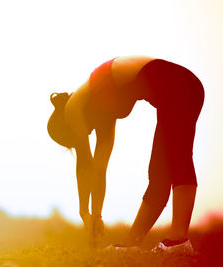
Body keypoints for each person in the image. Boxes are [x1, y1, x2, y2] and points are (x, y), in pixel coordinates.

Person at [47, 56, 204, 249]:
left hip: (179, 85)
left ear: (67, 127)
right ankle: (132, 244)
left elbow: (84, 163)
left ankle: (178, 240)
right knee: (160, 173)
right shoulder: (104, 110)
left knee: (177, 159)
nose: (85, 134)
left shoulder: (74, 106)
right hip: (179, 89)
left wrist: (83, 213)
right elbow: (99, 169)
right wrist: (96, 216)